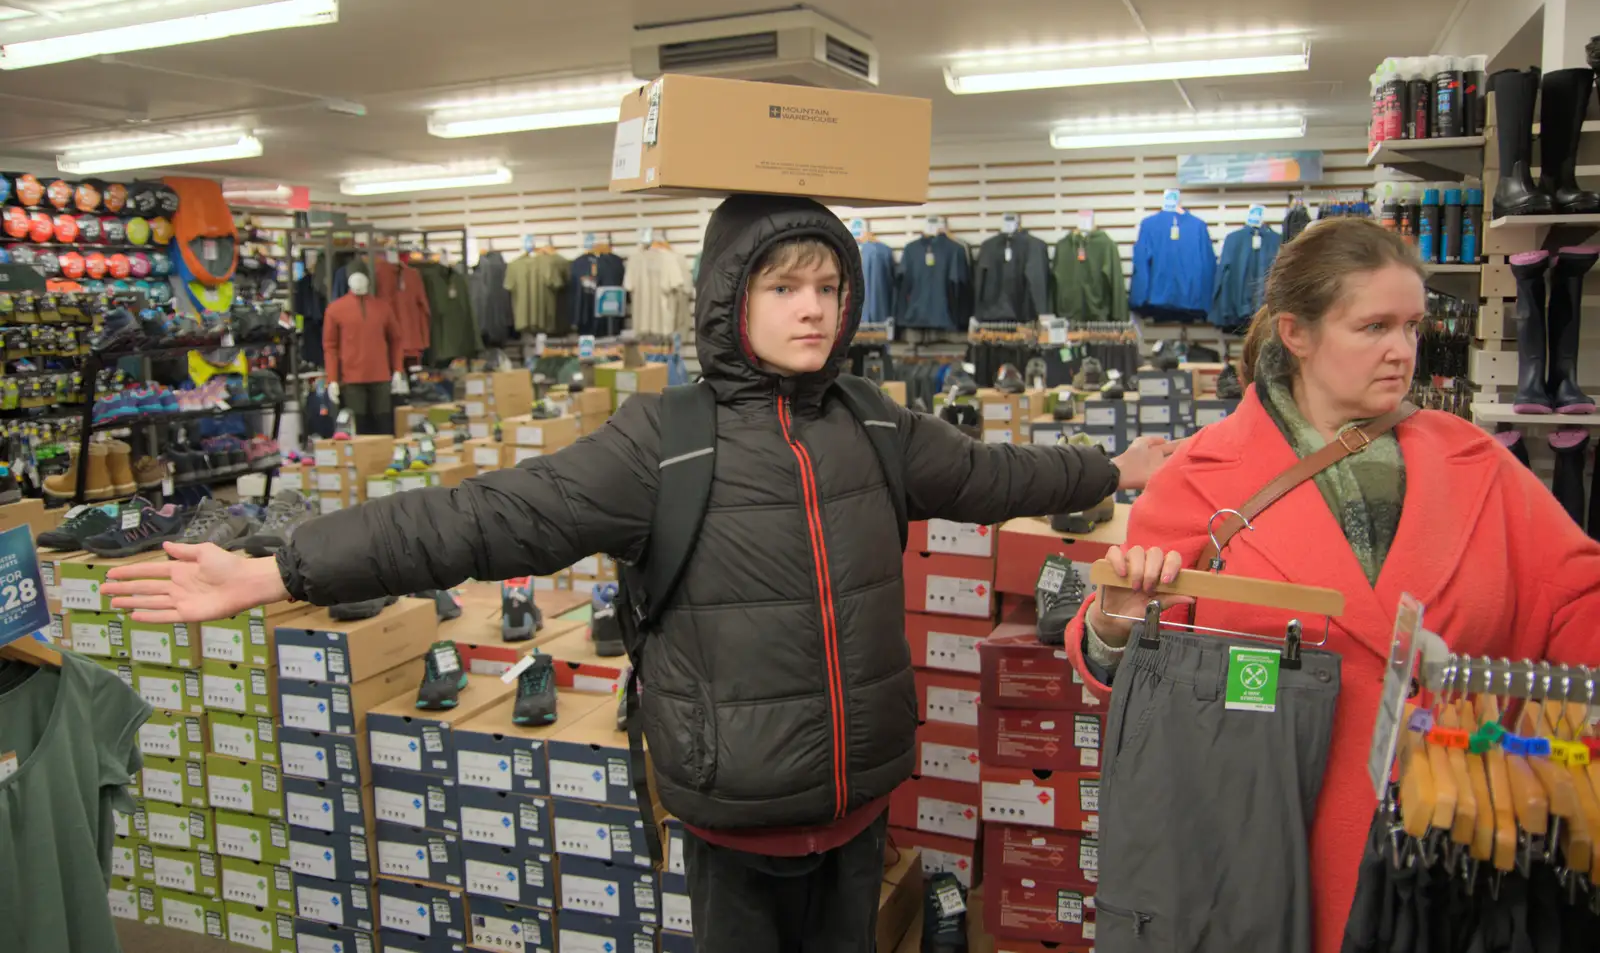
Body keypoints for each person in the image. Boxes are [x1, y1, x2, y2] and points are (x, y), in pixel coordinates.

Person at [107, 194, 1174, 953]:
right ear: (727, 297)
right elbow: (482, 516)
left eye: (830, 286)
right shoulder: (662, 439)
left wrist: (1110, 465)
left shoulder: (872, 425)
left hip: (860, 805)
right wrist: (280, 566)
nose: (815, 307)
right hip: (732, 813)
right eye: (785, 285)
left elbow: (996, 473)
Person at [1061, 217, 1600, 953]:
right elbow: (1123, 672)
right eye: (1373, 325)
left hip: (1446, 853)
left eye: (1412, 325)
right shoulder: (1202, 477)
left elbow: (1576, 595)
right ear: (1297, 333)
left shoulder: (1476, 462)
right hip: (1257, 864)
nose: (1402, 349)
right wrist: (1113, 625)